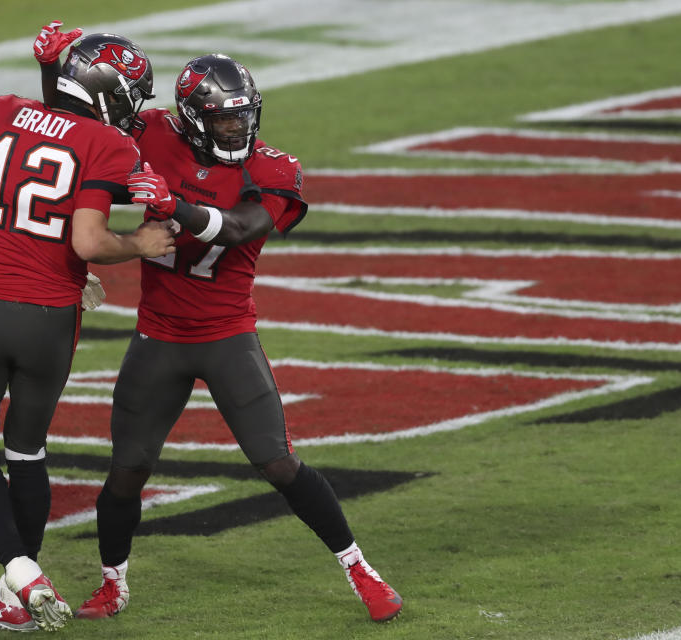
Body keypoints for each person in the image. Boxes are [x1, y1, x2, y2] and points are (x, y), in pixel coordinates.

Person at [30, 23, 404, 624]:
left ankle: (361, 570)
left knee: (278, 462)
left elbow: (238, 229)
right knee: (127, 470)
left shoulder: (275, 169)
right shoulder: (152, 134)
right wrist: (54, 73)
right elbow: (78, 135)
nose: (239, 129)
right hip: (159, 336)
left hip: (228, 335)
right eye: (225, 120)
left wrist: (170, 203)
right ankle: (111, 583)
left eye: (243, 117)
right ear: (192, 118)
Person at [0, 25, 174, 632]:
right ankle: (15, 597)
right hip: (51, 317)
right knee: (26, 450)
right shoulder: (107, 143)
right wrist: (142, 241)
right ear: (107, 94)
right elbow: (91, 241)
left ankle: (21, 573)